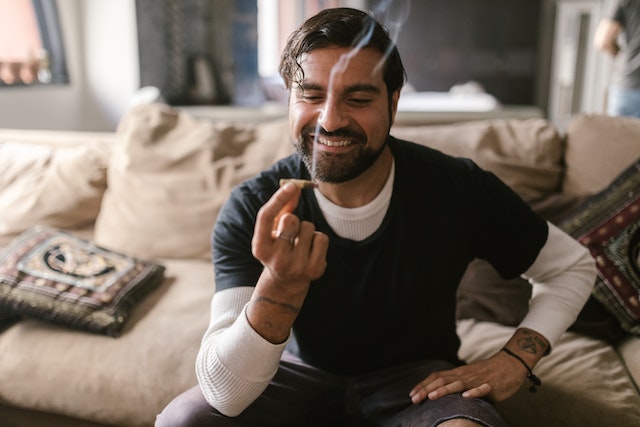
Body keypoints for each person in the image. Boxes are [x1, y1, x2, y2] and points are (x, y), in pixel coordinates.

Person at [156, 7, 596, 427]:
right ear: (290, 100)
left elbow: (571, 267)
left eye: (359, 97)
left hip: (419, 383)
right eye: (310, 95)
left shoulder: (457, 187)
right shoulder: (253, 206)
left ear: (394, 101)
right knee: (184, 420)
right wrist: (281, 289)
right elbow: (224, 395)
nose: (330, 121)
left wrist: (515, 360)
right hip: (294, 373)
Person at [594, 0, 640, 117]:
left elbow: (603, 41)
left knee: (617, 134)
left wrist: (619, 55)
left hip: (627, 85)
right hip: (628, 89)